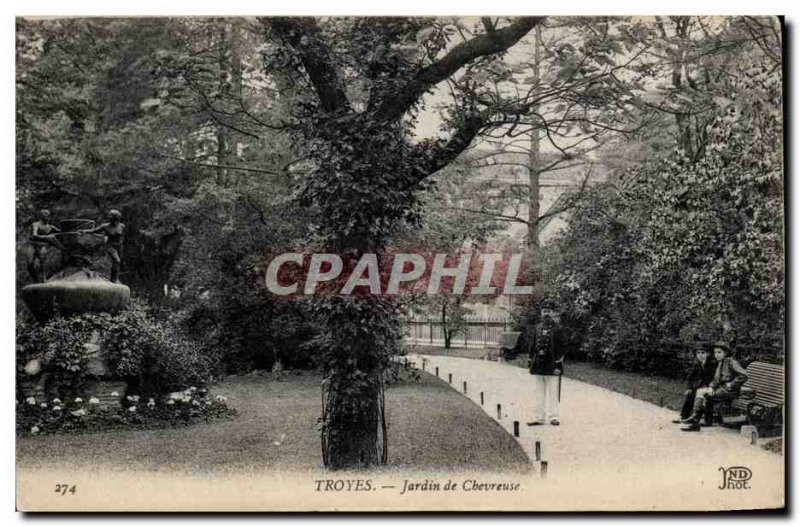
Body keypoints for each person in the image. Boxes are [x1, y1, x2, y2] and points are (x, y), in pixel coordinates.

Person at [681, 342, 748, 432]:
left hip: (730, 392)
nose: (717, 355)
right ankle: (699, 419)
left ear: (726, 353)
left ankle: (696, 419)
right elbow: (716, 380)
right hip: (722, 390)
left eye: (719, 352)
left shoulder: (732, 362)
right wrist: (711, 387)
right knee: (701, 391)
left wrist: (732, 384)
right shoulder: (720, 363)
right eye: (715, 353)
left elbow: (744, 375)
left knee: (705, 395)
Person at [527, 308, 566, 426]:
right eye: (544, 311)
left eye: (549, 311)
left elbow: (562, 348)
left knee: (553, 392)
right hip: (538, 364)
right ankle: (539, 418)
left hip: (552, 364)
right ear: (541, 313)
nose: (546, 314)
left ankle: (554, 417)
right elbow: (533, 345)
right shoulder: (537, 327)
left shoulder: (559, 328)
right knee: (538, 392)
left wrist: (558, 365)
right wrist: (530, 360)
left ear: (553, 313)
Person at [672, 344, 717, 424]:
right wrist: (688, 388)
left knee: (707, 396)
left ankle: (707, 420)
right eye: (698, 353)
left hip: (709, 386)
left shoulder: (712, 364)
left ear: (707, 354)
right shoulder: (697, 364)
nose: (700, 355)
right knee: (690, 394)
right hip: (699, 386)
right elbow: (690, 377)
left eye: (703, 353)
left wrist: (709, 385)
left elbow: (715, 377)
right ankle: (683, 416)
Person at [82, 209, 125, 283]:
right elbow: (94, 231)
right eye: (109, 215)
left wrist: (121, 243)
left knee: (117, 263)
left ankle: (114, 277)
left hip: (119, 246)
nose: (109, 217)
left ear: (116, 217)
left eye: (111, 215)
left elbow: (122, 236)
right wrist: (84, 231)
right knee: (117, 260)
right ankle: (115, 279)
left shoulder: (121, 226)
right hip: (110, 246)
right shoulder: (105, 226)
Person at [26, 209, 61, 283]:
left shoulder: (51, 227)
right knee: (30, 264)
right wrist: (48, 237)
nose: (47, 215)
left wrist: (78, 230)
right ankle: (35, 280)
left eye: (48, 214)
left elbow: (63, 231)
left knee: (42, 261)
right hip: (33, 245)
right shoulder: (36, 224)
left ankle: (44, 279)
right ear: (41, 215)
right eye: (45, 214)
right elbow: (34, 235)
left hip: (42, 245)